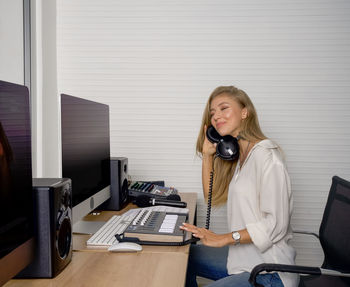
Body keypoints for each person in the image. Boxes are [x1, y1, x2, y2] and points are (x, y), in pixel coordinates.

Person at [180, 86, 298, 287]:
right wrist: (208, 155)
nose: (217, 116)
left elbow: (276, 225)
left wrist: (224, 238)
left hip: (270, 272)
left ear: (245, 112)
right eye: (213, 113)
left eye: (224, 108)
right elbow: (211, 195)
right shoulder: (241, 156)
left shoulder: (267, 157)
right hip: (243, 259)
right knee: (185, 255)